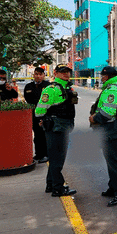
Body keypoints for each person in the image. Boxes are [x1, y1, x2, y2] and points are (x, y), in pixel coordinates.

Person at [89, 66, 117, 207]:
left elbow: (107, 113)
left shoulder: (112, 89)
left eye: (102, 76)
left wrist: (94, 119)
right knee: (112, 162)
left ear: (107, 76)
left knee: (115, 163)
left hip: (113, 131)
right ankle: (113, 187)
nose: (101, 78)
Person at [35, 64, 79, 197]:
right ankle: (58, 188)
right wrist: (44, 119)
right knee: (57, 159)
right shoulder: (51, 89)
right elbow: (39, 110)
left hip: (63, 126)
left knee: (56, 158)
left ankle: (51, 184)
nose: (66, 74)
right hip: (55, 127)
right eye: (63, 72)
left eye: (68, 72)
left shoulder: (67, 88)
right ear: (55, 73)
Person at [24, 67, 51, 163]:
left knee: (45, 135)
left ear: (44, 75)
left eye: (40, 74)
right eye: (36, 74)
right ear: (33, 75)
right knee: (37, 135)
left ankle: (46, 154)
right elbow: (28, 99)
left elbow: (48, 100)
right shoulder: (28, 86)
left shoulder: (48, 86)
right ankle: (39, 154)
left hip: (45, 115)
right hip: (34, 115)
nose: (38, 76)